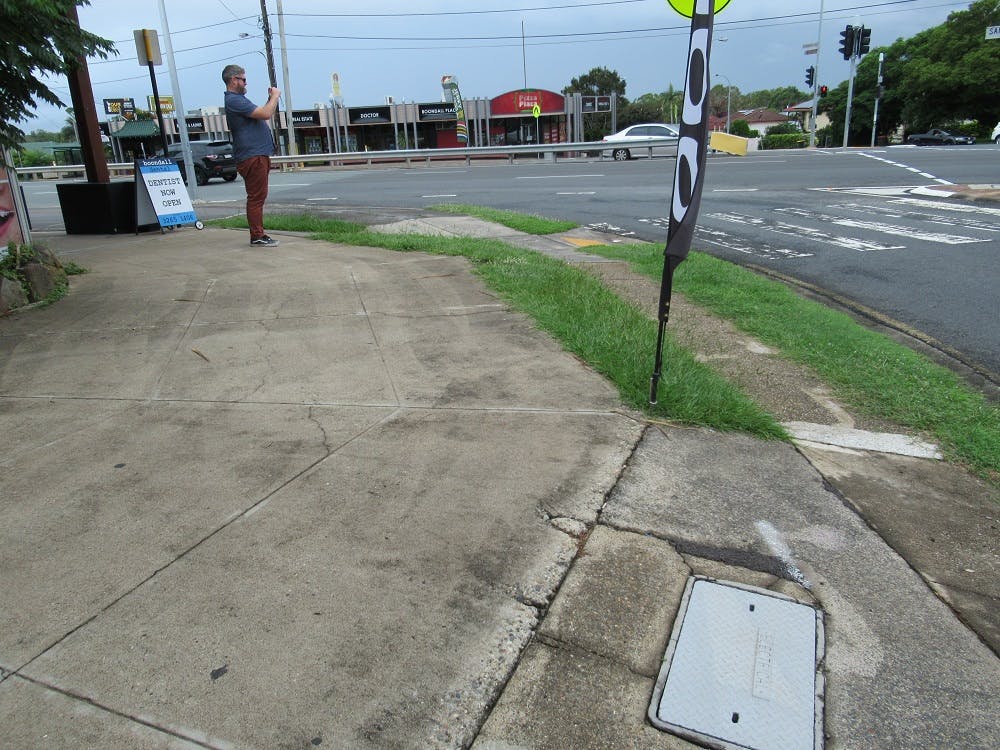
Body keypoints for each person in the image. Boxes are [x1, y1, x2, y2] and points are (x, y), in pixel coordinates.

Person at [222, 64, 281, 247]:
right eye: (243, 79)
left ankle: (258, 234)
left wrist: (269, 99)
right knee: (256, 197)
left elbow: (260, 113)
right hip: (252, 156)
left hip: (255, 154)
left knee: (258, 196)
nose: (246, 82)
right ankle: (257, 235)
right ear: (234, 80)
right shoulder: (234, 100)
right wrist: (275, 97)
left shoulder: (238, 100)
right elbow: (265, 113)